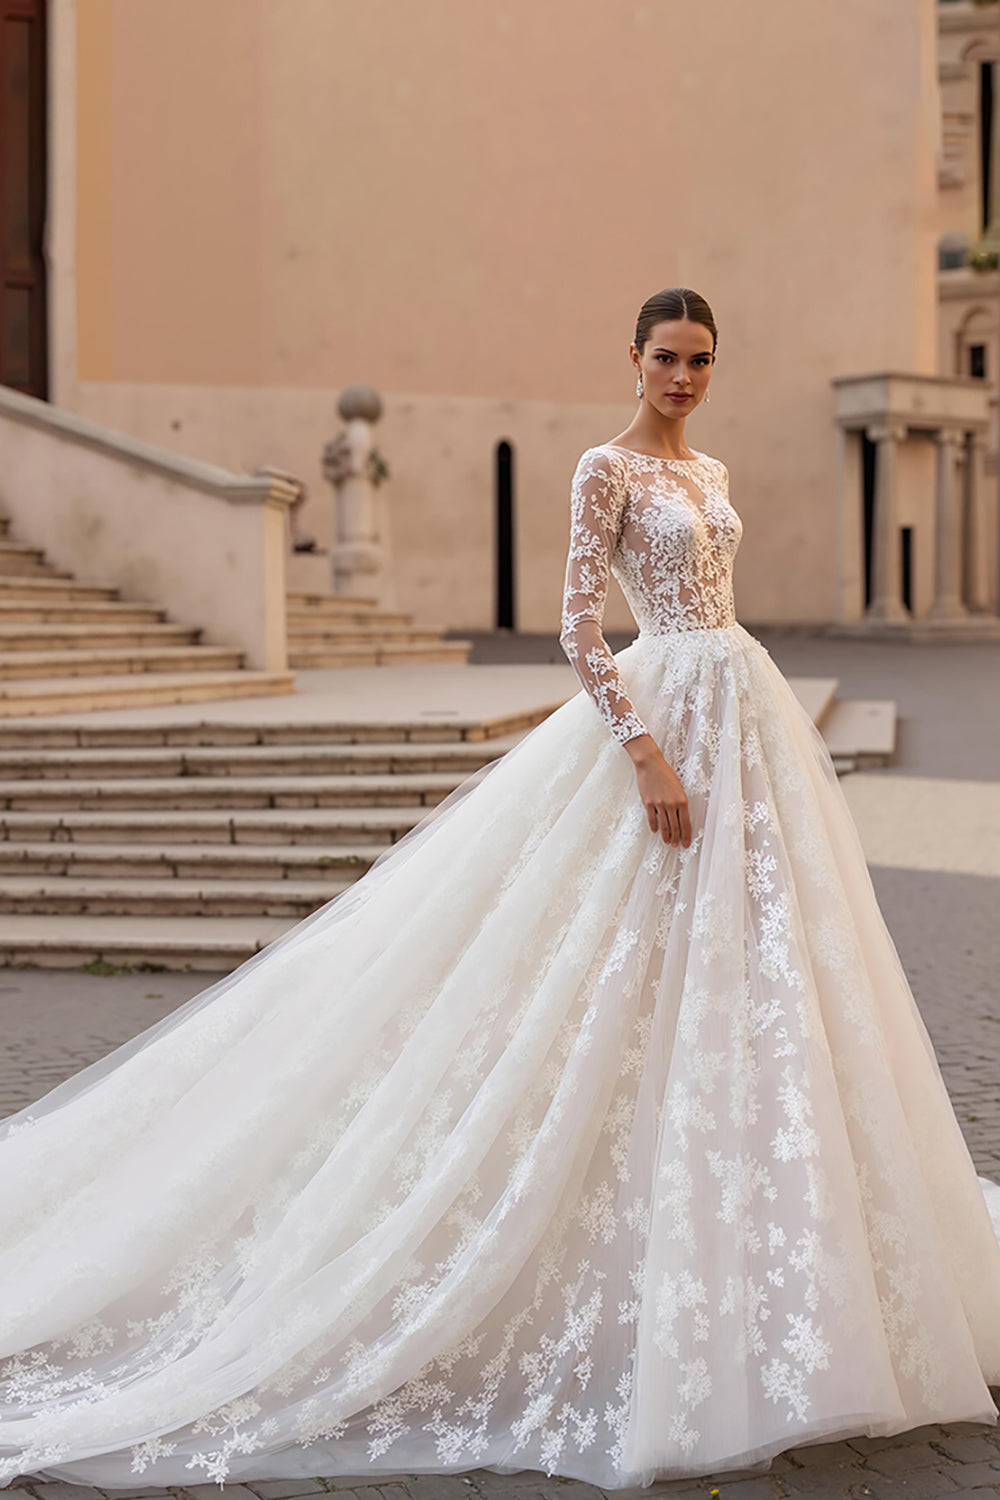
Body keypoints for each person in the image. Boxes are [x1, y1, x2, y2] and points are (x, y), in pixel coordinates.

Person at [2, 286, 1000, 1492]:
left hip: (749, 709)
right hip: (662, 721)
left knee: (768, 972)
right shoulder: (603, 467)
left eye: (699, 360)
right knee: (616, 976)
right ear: (631, 358)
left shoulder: (715, 465)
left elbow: (710, 602)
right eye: (666, 358)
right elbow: (580, 630)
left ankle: (782, 1239)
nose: (683, 377)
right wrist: (645, 752)